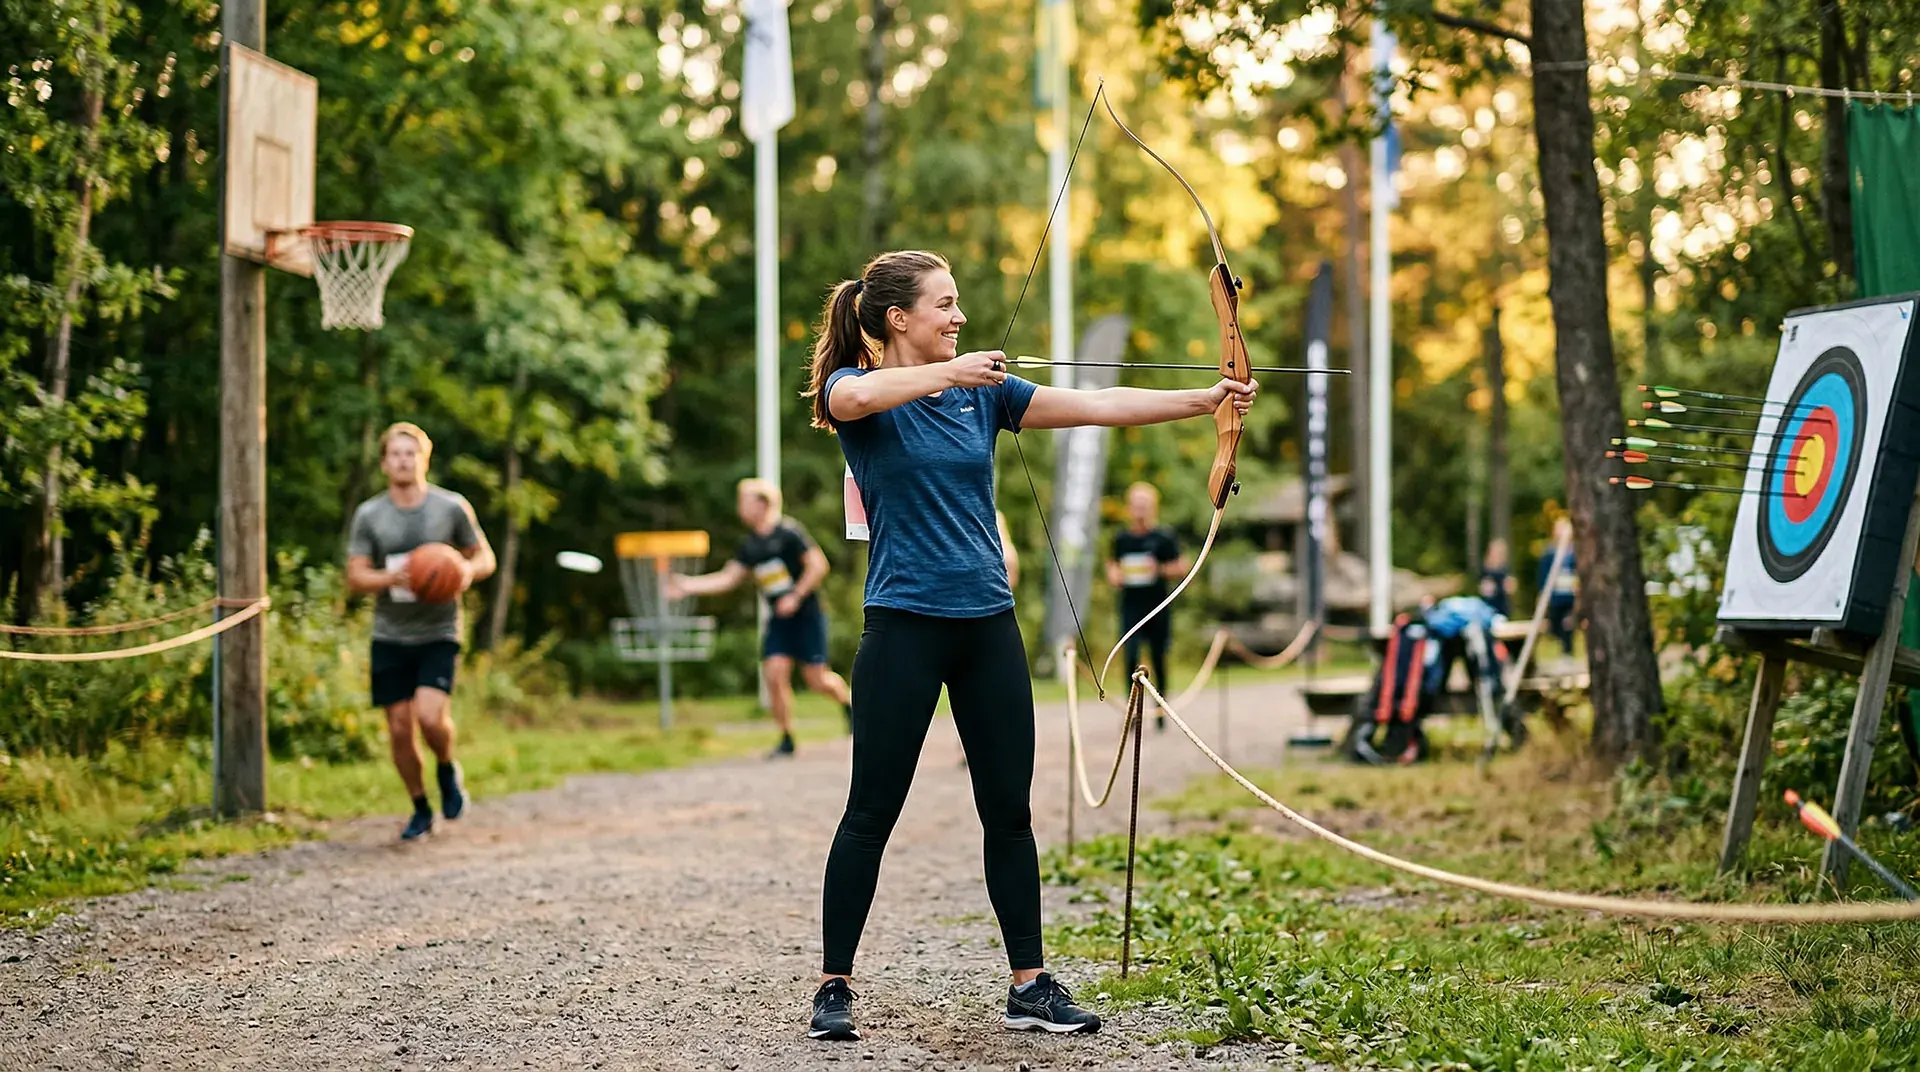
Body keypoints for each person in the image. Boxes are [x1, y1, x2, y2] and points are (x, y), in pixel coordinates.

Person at [802, 249, 1258, 1041]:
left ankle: (1029, 984)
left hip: (987, 625)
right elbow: (862, 392)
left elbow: (1098, 402)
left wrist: (1205, 399)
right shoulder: (858, 392)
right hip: (903, 625)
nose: (960, 317)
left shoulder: (988, 396)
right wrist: (956, 374)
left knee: (1008, 810)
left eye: (959, 303)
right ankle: (834, 985)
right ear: (897, 318)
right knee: (871, 808)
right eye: (944, 304)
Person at [346, 423, 497, 841]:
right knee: (399, 727)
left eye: (410, 453)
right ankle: (419, 807)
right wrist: (391, 579)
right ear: (383, 462)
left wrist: (465, 569)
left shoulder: (451, 508)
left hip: (439, 630)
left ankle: (447, 769)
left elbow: (485, 556)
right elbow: (355, 575)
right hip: (390, 634)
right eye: (395, 454)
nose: (403, 460)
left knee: (431, 718)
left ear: (424, 459)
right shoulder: (370, 515)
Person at [667, 479, 854, 758]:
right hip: (779, 619)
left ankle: (848, 704)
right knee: (774, 672)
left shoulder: (789, 533)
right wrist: (687, 585)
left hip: (807, 615)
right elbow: (728, 578)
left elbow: (818, 565)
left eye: (744, 501)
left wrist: (796, 596)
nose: (740, 508)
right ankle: (786, 737)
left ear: (762, 503)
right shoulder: (751, 545)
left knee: (817, 679)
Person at [1105, 482, 1186, 731]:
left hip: (1157, 606)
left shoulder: (1164, 537)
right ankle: (1133, 712)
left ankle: (1161, 712)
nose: (1140, 509)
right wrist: (1115, 575)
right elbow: (1111, 565)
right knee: (1130, 658)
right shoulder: (1121, 539)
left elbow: (1181, 567)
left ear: (1153, 507)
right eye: (1136, 504)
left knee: (1159, 658)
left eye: (1144, 505)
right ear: (1129, 508)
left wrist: (1160, 570)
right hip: (1131, 607)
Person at [1538, 517, 1578, 655]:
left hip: (1571, 597)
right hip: (1556, 598)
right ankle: (1562, 651)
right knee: (1554, 627)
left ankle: (1568, 653)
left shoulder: (1575, 553)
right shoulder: (1550, 553)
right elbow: (1543, 576)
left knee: (1568, 625)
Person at [1476, 537, 1515, 618]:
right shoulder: (1485, 570)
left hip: (1502, 608)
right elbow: (1485, 591)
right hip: (1487, 608)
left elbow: (1510, 588)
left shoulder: (1505, 569)